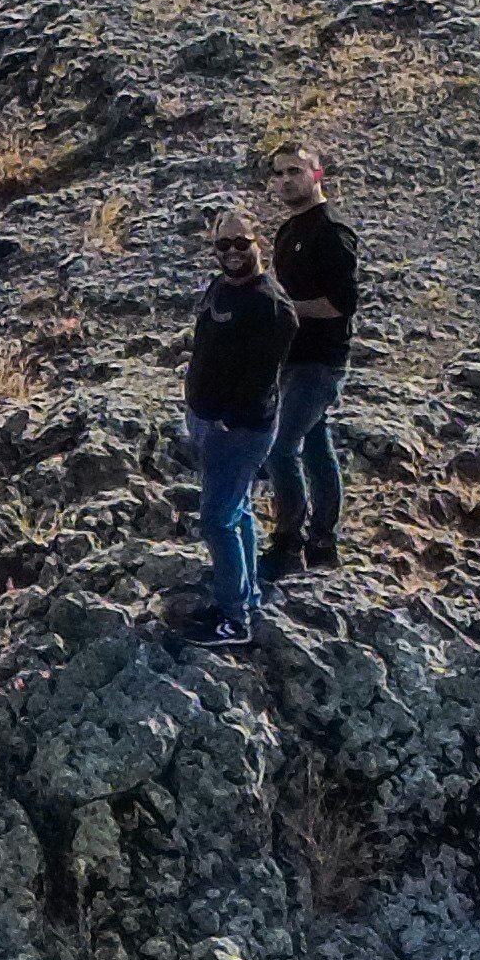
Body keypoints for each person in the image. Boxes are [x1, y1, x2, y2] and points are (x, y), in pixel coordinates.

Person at [174, 208, 295, 643]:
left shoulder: (270, 305)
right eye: (222, 245)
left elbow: (260, 377)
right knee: (238, 509)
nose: (232, 253)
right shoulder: (219, 289)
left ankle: (233, 619)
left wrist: (226, 420)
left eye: (241, 243)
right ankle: (246, 597)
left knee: (218, 520)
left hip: (238, 430)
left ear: (258, 242)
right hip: (209, 420)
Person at [260, 139, 362, 576]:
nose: (286, 181)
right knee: (317, 447)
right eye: (279, 174)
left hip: (321, 362)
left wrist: (285, 309)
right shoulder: (287, 231)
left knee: (280, 448)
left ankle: (289, 541)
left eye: (295, 172)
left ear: (317, 174)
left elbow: (342, 303)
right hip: (290, 359)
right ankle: (324, 541)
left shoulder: (331, 232)